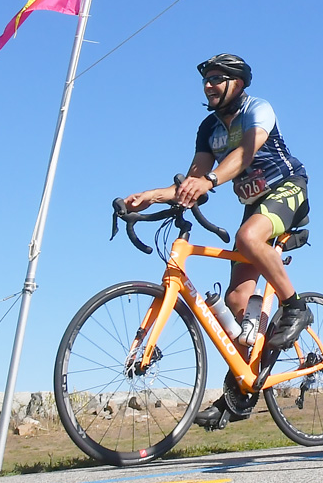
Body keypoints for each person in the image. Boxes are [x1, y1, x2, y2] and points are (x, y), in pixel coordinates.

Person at [124, 53, 311, 428]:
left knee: (247, 236)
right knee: (237, 301)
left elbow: (244, 155)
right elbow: (193, 179)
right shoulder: (208, 128)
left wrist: (209, 182)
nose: (208, 84)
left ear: (237, 83)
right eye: (206, 79)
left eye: (216, 78)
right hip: (253, 205)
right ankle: (241, 391)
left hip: (287, 189)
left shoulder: (258, 109)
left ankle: (295, 307)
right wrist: (152, 195)